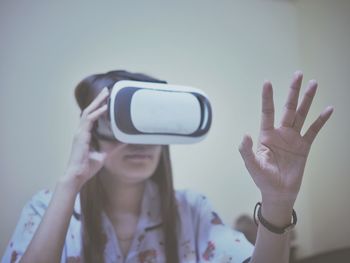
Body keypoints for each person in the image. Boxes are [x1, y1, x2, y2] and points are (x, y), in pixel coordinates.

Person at [2, 70, 333, 263]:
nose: (139, 139)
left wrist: (277, 201)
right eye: (120, 123)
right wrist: (70, 182)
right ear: (91, 131)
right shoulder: (46, 208)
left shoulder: (191, 211)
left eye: (150, 122)